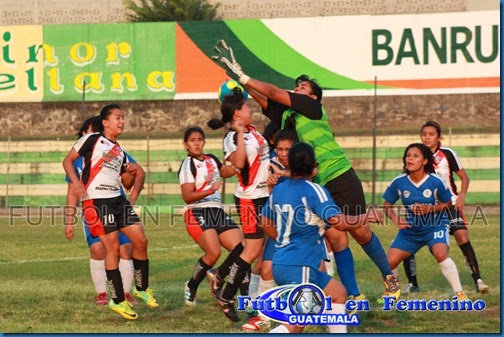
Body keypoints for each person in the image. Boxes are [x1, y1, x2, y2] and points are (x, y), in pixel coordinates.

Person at [211, 40, 399, 301]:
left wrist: (244, 75)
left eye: (302, 87)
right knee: (337, 239)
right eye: (297, 86)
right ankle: (354, 296)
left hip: (341, 175)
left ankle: (389, 275)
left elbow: (274, 93)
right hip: (319, 183)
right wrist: (240, 79)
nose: (297, 89)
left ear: (311, 96)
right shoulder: (289, 117)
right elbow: (266, 101)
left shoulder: (313, 108)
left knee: (361, 232)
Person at [261, 142, 382, 333]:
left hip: (283, 263)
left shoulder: (280, 190)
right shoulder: (314, 191)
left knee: (338, 294)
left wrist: (285, 240)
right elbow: (338, 222)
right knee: (296, 323)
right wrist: (367, 216)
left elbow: (265, 222)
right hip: (300, 265)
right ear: (314, 167)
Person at [62, 103, 158, 320]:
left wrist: (131, 173)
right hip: (97, 202)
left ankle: (141, 289)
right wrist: (77, 183)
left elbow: (126, 182)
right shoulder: (92, 139)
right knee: (112, 248)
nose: (122, 121)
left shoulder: (120, 150)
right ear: (105, 122)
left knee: (141, 241)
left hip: (118, 200)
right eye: (118, 117)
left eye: (123, 117)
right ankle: (117, 300)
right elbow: (67, 161)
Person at [401, 121, 489, 294]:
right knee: (408, 238)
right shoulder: (415, 154)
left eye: (431, 134)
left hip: (450, 205)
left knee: (462, 238)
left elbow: (464, 178)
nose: (427, 137)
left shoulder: (448, 154)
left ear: (438, 136)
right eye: (424, 134)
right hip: (425, 209)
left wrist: (461, 196)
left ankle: (478, 281)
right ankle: (413, 283)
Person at [207, 87, 270, 322]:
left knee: (258, 250)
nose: (250, 109)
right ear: (236, 113)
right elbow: (240, 163)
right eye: (246, 107)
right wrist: (240, 133)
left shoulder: (254, 131)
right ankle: (227, 296)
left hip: (265, 195)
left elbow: (264, 158)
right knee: (252, 250)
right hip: (249, 199)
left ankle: (224, 277)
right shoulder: (232, 138)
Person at [382, 143, 468, 301]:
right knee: (388, 263)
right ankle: (392, 293)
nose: (410, 159)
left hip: (435, 226)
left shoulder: (436, 181)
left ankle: (460, 293)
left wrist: (430, 209)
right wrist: (396, 220)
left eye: (415, 156)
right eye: (408, 156)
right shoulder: (399, 182)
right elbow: (387, 206)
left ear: (425, 161)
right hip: (411, 230)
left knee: (440, 254)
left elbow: (448, 203)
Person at [178, 126, 245, 307]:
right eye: (192, 140)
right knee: (213, 252)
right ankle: (191, 286)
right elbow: (187, 196)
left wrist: (240, 165)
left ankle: (244, 299)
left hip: (216, 211)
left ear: (204, 141)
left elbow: (226, 171)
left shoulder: (212, 159)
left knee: (243, 248)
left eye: (199, 139)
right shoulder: (187, 164)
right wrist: (209, 190)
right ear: (186, 145)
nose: (197, 143)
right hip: (197, 211)